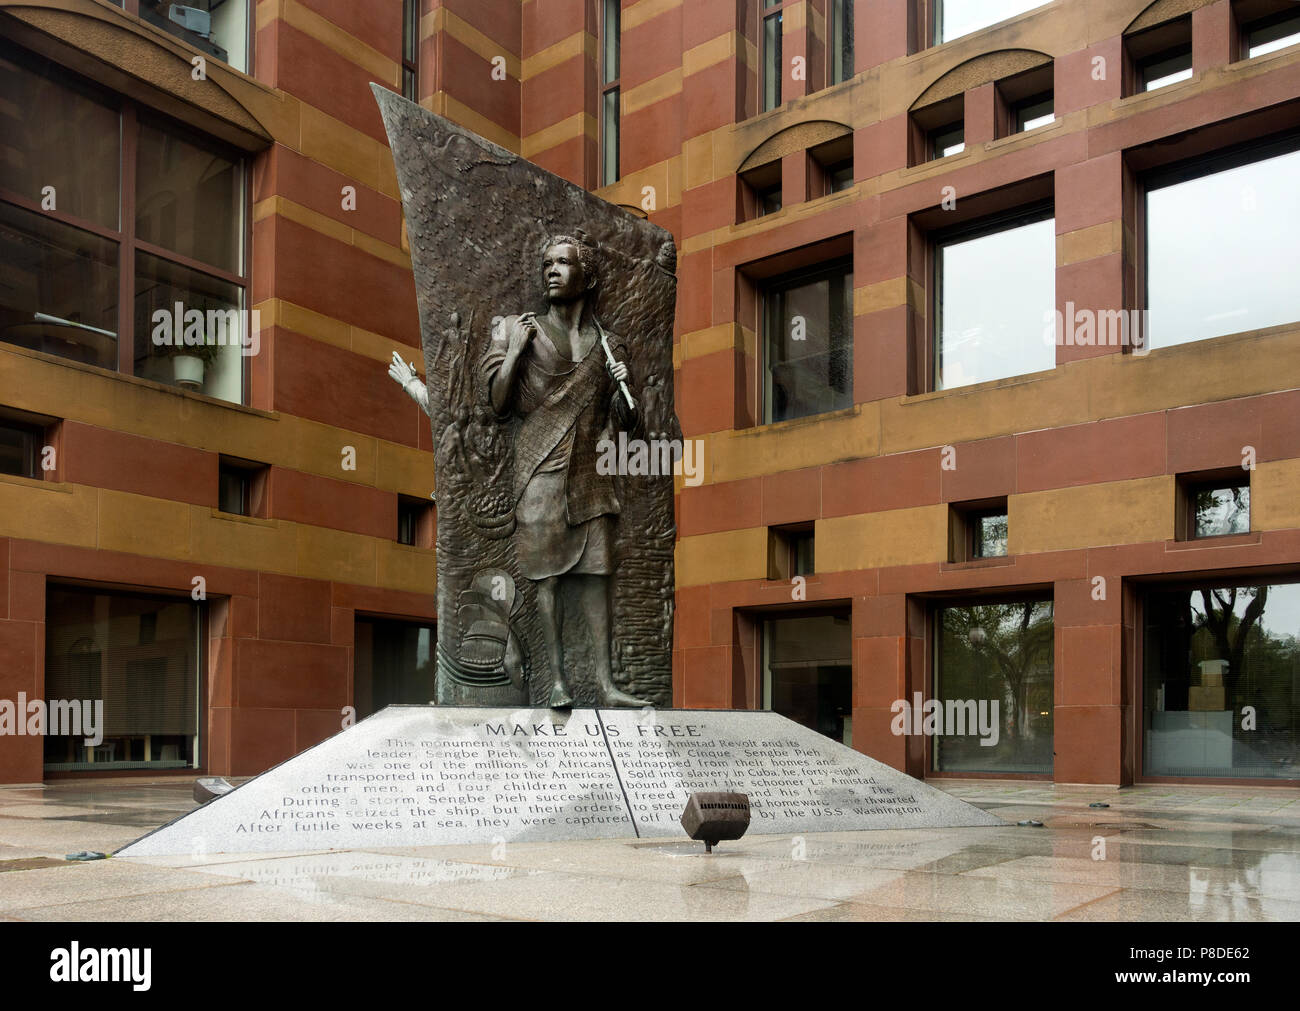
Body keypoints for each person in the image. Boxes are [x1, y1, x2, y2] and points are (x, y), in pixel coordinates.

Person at [480, 233, 645, 708]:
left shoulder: (609, 345)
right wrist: (514, 352)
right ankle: (555, 682)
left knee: (597, 576)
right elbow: (497, 404)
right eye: (546, 263)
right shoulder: (519, 329)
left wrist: (623, 389)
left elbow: (629, 423)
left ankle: (607, 686)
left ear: (587, 276)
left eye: (562, 263)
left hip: (590, 475)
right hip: (539, 471)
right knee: (547, 579)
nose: (551, 270)